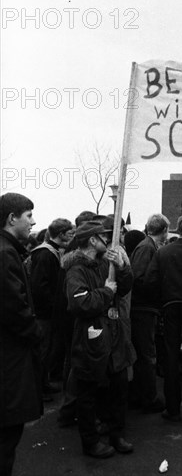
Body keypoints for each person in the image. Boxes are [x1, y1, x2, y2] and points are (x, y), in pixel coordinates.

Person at [65, 221, 134, 458]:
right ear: (93, 240)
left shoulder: (107, 264)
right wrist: (106, 292)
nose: (108, 240)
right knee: (87, 393)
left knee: (118, 389)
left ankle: (117, 434)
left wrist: (123, 268)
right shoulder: (76, 271)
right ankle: (91, 442)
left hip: (114, 335)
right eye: (103, 237)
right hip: (91, 339)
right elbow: (80, 303)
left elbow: (123, 289)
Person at [145, 214, 182, 423]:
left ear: (177, 229)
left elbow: (151, 280)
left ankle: (172, 408)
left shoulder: (163, 252)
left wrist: (163, 298)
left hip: (169, 306)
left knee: (170, 355)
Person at [0, 193, 42, 476]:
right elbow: (13, 307)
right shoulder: (5, 253)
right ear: (12, 218)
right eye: (28, 216)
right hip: (9, 358)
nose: (33, 222)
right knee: (6, 437)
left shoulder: (8, 250)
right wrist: (35, 332)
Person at [29, 218, 75, 401]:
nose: (72, 236)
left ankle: (44, 384)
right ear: (62, 234)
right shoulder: (45, 254)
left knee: (47, 350)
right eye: (70, 233)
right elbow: (40, 287)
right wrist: (52, 306)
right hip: (44, 313)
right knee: (43, 350)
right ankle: (38, 390)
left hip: (48, 311)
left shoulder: (51, 252)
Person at [129, 214, 169, 413]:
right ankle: (148, 398)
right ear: (163, 231)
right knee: (147, 355)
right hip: (143, 308)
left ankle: (140, 395)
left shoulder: (147, 246)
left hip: (144, 307)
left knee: (145, 354)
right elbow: (139, 278)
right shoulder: (147, 248)